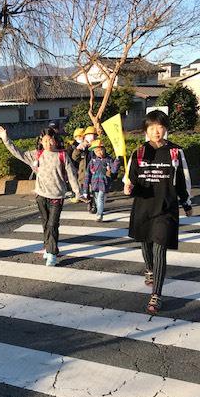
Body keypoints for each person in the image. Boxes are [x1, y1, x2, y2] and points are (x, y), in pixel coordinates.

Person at [125, 110, 192, 315]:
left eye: (160, 127)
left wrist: (186, 203)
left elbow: (183, 180)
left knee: (159, 248)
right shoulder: (138, 152)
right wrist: (128, 188)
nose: (157, 131)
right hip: (143, 207)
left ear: (166, 129)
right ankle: (150, 269)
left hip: (166, 208)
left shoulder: (175, 152)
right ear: (146, 130)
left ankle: (156, 295)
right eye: (152, 127)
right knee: (145, 243)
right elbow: (131, 181)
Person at [0, 125, 82, 267]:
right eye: (45, 141)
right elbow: (18, 153)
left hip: (57, 195)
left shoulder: (62, 155)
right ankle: (48, 247)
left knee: (52, 224)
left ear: (55, 140)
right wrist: (6, 140)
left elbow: (72, 174)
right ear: (41, 141)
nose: (48, 143)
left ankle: (52, 253)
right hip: (41, 195)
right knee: (45, 223)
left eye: (51, 140)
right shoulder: (37, 154)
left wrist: (77, 191)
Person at [82, 140, 120, 221]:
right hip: (94, 184)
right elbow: (87, 175)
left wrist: (117, 161)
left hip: (104, 183)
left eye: (100, 150)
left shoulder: (109, 160)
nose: (99, 152)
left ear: (104, 149)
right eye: (96, 151)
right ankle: (100, 210)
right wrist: (85, 190)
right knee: (96, 199)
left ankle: (99, 214)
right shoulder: (92, 161)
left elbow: (114, 170)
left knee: (100, 198)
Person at [72, 125, 97, 213]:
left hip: (95, 172)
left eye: (94, 135)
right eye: (89, 135)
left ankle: (94, 204)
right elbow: (75, 158)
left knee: (95, 189)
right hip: (84, 172)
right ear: (85, 136)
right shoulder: (82, 146)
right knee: (86, 190)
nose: (92, 137)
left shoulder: (98, 145)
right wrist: (78, 149)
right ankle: (90, 203)